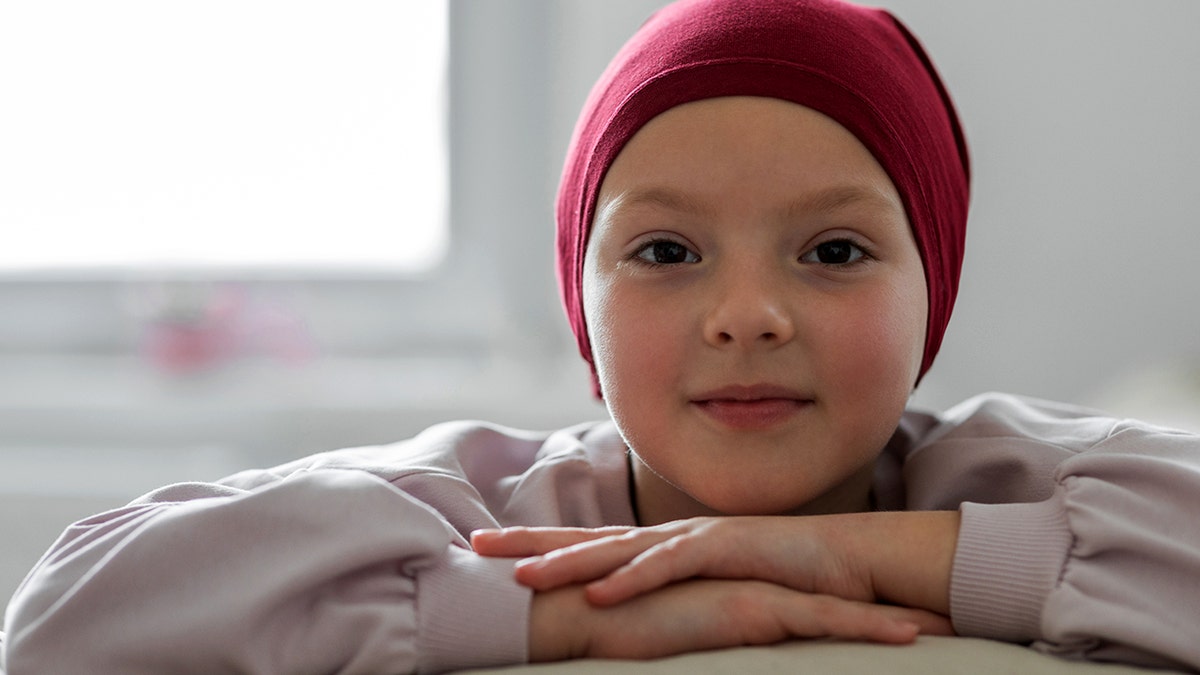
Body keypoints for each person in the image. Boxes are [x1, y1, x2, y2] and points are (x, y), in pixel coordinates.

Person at [3, 0, 1199, 673]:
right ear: (582, 308)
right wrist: (555, 615)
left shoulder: (1000, 473)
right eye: (667, 253)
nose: (747, 315)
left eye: (832, 253)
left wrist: (852, 554)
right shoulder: (487, 509)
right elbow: (60, 617)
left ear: (930, 294)